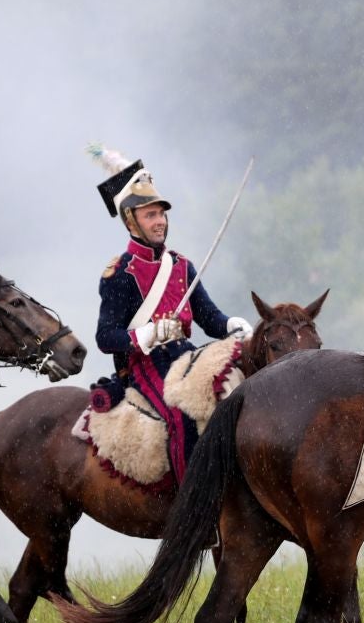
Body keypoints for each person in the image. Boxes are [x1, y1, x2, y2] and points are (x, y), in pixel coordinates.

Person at [91, 146, 253, 484]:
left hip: (185, 356)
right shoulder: (119, 273)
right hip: (143, 365)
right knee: (182, 416)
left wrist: (229, 324)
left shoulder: (181, 265)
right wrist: (145, 335)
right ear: (131, 221)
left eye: (161, 214)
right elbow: (105, 337)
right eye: (150, 215)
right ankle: (192, 505)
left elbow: (208, 317)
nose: (160, 221)